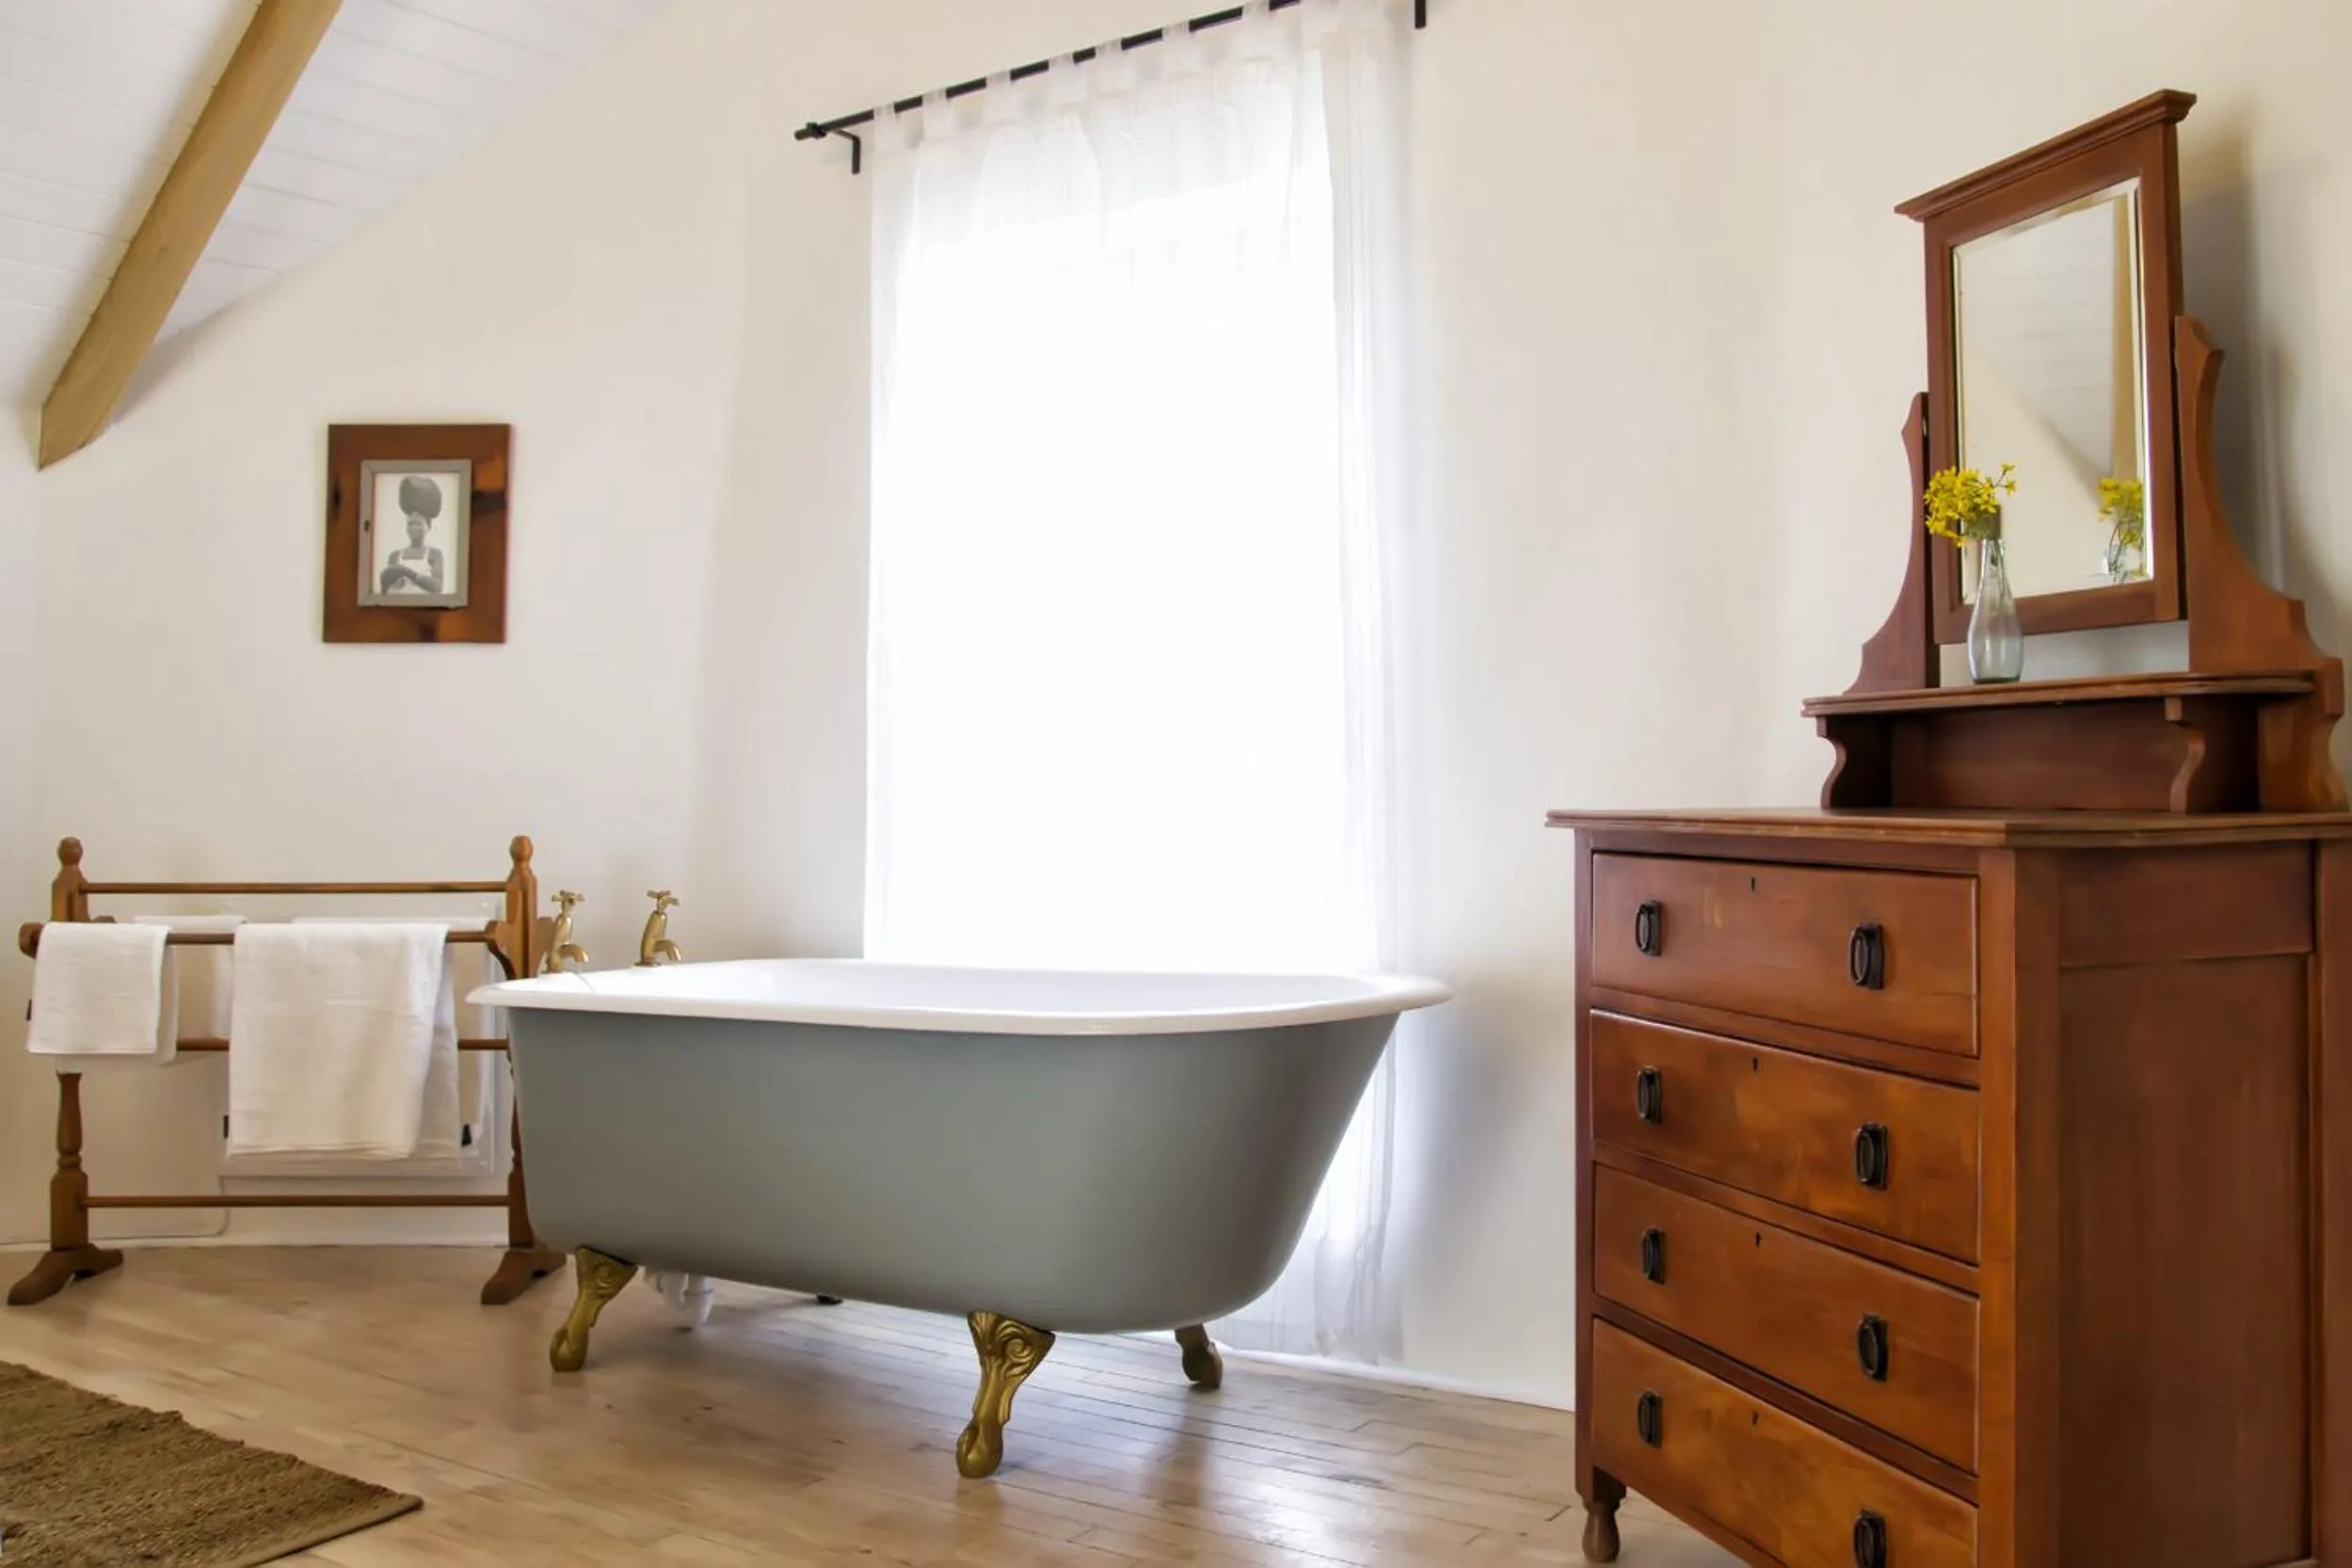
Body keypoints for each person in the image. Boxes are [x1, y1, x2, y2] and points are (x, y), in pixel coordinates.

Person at [378, 474, 447, 595]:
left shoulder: (433, 554)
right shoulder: (395, 555)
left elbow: (437, 586)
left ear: (428, 527)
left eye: (418, 524)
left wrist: (409, 573)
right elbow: (385, 590)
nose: (413, 528)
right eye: (410, 524)